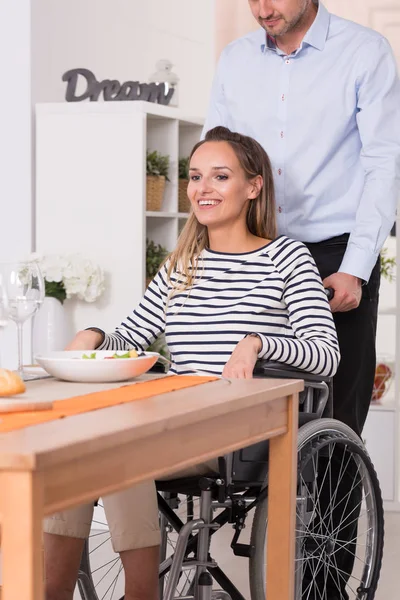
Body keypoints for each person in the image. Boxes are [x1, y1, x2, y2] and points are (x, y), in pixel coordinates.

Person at [44, 126, 340, 600]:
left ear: (253, 187)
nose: (203, 188)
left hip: (244, 429)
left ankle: (142, 593)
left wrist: (258, 342)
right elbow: (132, 336)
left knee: (119, 445)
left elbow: (326, 355)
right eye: (195, 176)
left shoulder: (287, 258)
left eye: (220, 176)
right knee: (79, 446)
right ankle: (50, 591)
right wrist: (97, 337)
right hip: (173, 419)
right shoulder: (182, 261)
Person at [203, 1, 400, 597]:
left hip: (338, 252)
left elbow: (383, 164)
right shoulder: (236, 61)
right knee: (247, 392)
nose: (263, 8)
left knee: (334, 414)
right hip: (256, 250)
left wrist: (357, 267)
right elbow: (218, 157)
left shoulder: (364, 53)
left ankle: (325, 583)